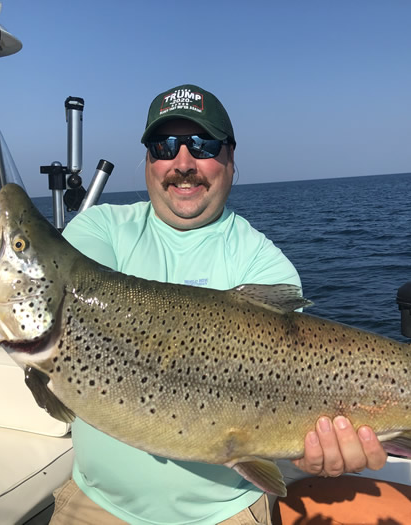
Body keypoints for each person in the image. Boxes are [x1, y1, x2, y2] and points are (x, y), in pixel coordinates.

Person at [50, 84, 387, 525]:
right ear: (149, 160)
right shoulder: (97, 230)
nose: (183, 163)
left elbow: (292, 396)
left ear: (230, 159)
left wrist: (313, 449)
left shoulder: (263, 263)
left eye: (203, 145)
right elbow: (61, 306)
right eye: (165, 145)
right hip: (95, 506)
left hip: (225, 515)